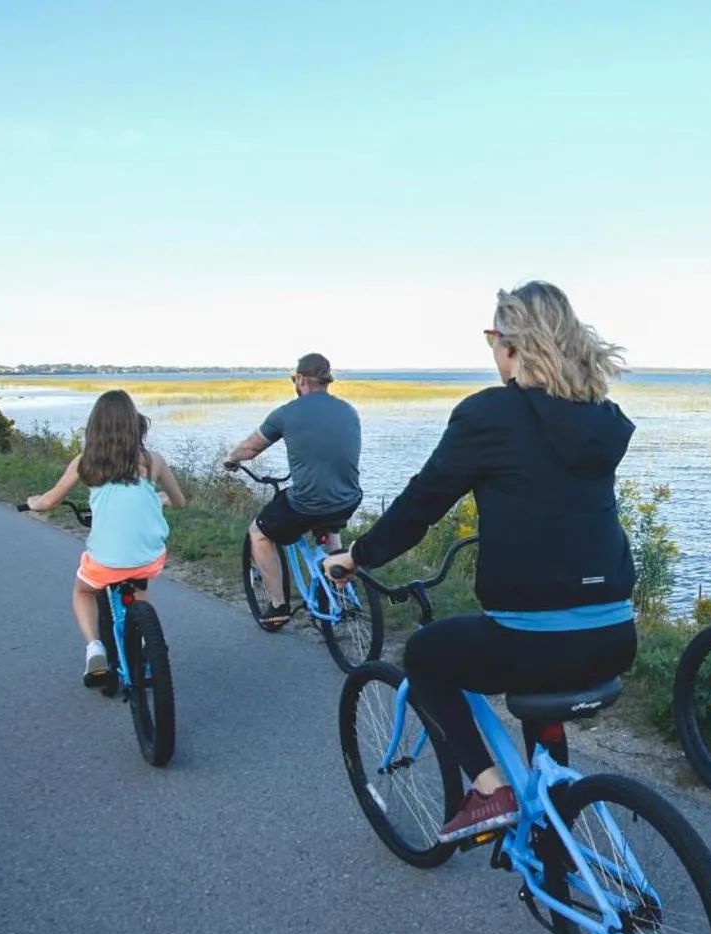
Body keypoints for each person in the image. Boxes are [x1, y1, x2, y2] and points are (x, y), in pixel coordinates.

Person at [324, 281, 637, 843]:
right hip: (615, 632)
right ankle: (555, 819)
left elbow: (423, 503)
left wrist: (358, 555)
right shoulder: (601, 418)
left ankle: (491, 789)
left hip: (534, 642)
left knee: (425, 654)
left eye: (493, 338)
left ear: (515, 347)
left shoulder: (490, 415)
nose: (492, 351)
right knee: (541, 676)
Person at [26, 390, 188, 686]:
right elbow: (179, 501)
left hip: (106, 561)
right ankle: (146, 648)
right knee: (138, 586)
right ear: (133, 424)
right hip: (149, 558)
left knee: (84, 591)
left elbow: (48, 501)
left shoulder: (85, 462)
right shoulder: (153, 461)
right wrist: (159, 499)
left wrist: (33, 501)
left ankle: (95, 648)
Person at [223, 353, 363, 629]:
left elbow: (251, 448)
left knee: (259, 533)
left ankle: (278, 606)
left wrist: (232, 458)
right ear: (326, 380)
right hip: (349, 497)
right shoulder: (349, 410)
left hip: (308, 502)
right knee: (328, 527)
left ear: (300, 379)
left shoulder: (287, 413)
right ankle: (340, 587)